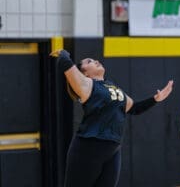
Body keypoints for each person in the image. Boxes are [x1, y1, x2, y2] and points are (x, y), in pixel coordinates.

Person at [50, 49, 173, 187]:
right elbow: (65, 63)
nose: (96, 61)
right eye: (89, 61)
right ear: (84, 73)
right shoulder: (86, 84)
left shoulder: (112, 87)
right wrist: (63, 52)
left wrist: (155, 99)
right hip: (88, 148)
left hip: (112, 149)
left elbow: (134, 108)